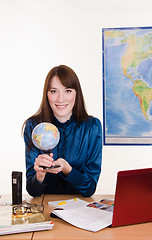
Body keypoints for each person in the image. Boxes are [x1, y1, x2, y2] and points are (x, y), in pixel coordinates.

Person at [23, 65, 102, 197]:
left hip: (80, 208)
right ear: (47, 94)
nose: (60, 99)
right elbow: (33, 191)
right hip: (45, 207)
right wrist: (40, 174)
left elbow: (90, 189)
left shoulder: (92, 127)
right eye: (54, 91)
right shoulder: (34, 126)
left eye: (68, 91)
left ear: (77, 93)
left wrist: (67, 169)